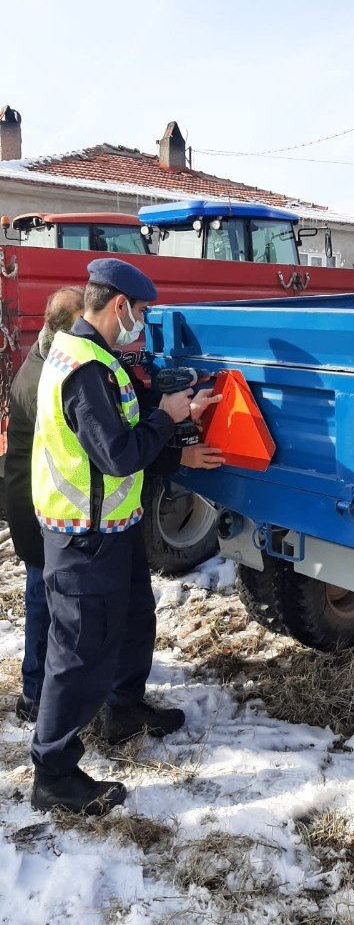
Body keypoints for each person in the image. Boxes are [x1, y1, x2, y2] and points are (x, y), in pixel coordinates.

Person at [30, 258, 223, 815]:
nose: (142, 321)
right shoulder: (85, 368)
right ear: (120, 306)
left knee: (136, 619)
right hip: (83, 539)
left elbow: (121, 431)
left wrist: (178, 433)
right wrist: (166, 417)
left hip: (111, 530)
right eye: (140, 312)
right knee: (78, 653)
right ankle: (54, 773)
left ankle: (125, 710)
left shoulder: (90, 355)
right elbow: (117, 454)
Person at [5, 287, 85, 722]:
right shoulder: (46, 378)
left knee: (44, 595)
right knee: (42, 598)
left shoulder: (43, 359)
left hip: (31, 497)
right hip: (35, 504)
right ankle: (34, 692)